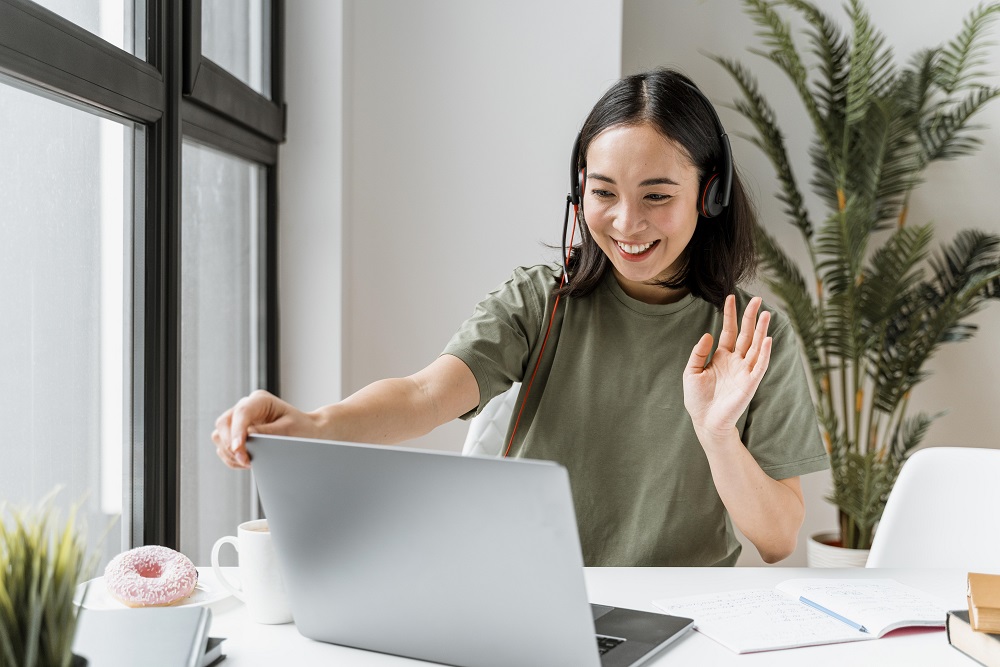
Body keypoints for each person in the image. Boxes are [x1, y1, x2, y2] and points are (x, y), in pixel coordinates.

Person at [212, 68, 829, 567]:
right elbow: (425, 395)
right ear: (580, 189)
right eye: (604, 192)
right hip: (532, 590)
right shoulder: (540, 301)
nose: (626, 222)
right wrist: (311, 425)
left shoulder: (751, 340)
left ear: (710, 193)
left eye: (657, 196)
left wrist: (718, 434)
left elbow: (777, 540)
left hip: (678, 616)